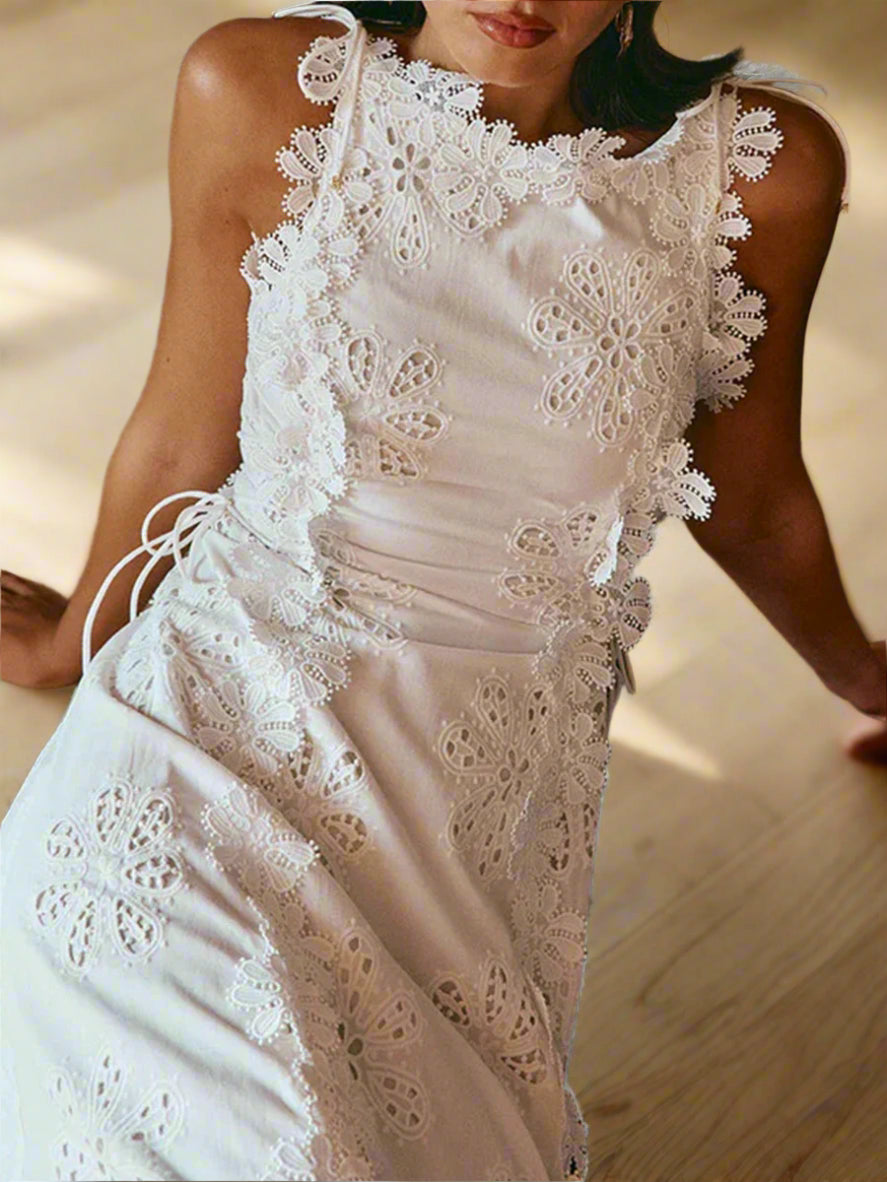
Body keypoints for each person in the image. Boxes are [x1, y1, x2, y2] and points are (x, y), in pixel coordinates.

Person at [1, 2, 884, 1179]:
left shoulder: (754, 175)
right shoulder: (267, 87)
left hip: (465, 827)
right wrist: (72, 641)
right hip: (193, 745)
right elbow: (178, 437)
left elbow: (754, 488)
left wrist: (867, 675)